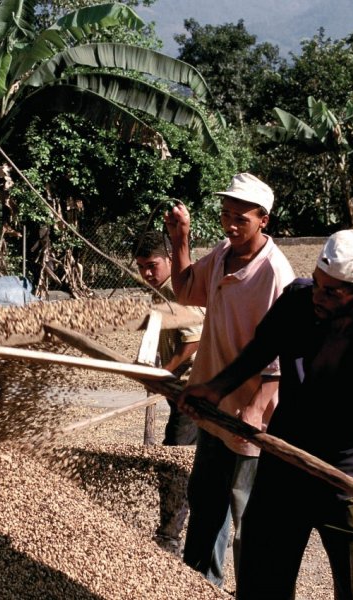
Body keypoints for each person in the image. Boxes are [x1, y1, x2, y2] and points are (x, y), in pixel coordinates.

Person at [180, 230, 353, 599]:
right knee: (262, 582)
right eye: (317, 282)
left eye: (331, 291)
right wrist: (215, 388)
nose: (317, 294)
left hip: (345, 473)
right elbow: (260, 349)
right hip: (284, 458)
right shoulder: (298, 299)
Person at [163, 173, 296, 586]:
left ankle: (256, 592)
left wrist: (256, 409)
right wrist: (180, 237)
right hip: (213, 406)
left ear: (264, 221)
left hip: (248, 415)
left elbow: (283, 349)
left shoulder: (275, 273)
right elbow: (185, 291)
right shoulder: (222, 254)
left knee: (248, 518)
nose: (231, 225)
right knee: (206, 508)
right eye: (225, 216)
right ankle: (202, 588)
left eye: (241, 218)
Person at [133, 230, 204, 553]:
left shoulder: (175, 290)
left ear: (170, 260)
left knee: (174, 460)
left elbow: (193, 340)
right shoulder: (159, 292)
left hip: (194, 391)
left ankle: (169, 537)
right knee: (189, 461)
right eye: (141, 266)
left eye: (152, 265)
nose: (147, 273)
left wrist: (165, 372)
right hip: (181, 391)